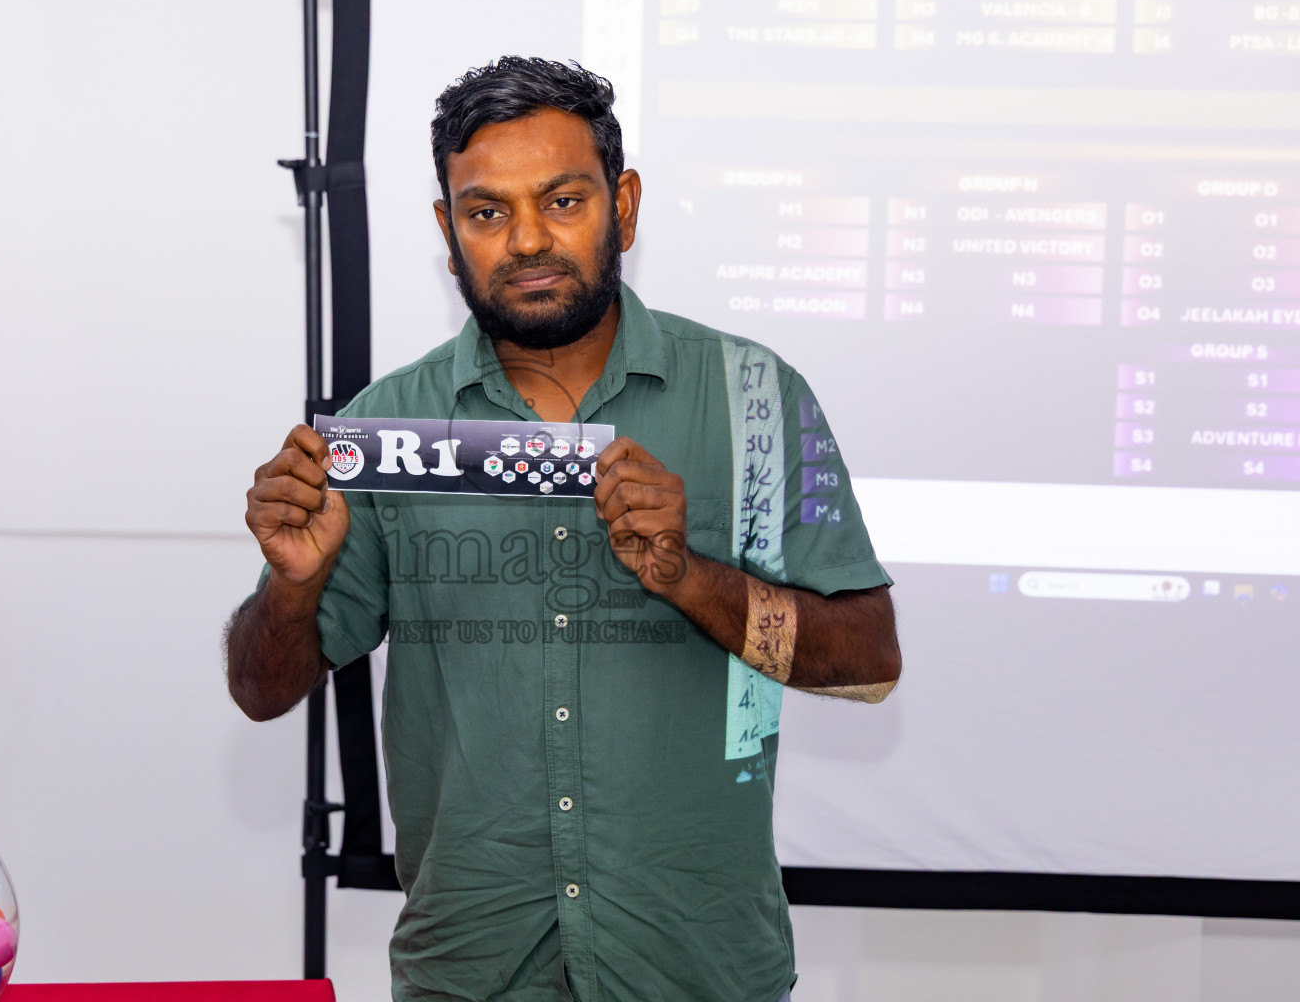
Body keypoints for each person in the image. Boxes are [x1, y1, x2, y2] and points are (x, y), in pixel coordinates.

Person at [226, 57, 901, 1002]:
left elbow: (868, 658)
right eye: (487, 211)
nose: (528, 239)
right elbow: (261, 689)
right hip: (471, 971)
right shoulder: (388, 427)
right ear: (446, 230)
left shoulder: (753, 397)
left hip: (695, 970)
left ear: (623, 206)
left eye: (563, 200)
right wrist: (294, 581)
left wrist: (688, 575)